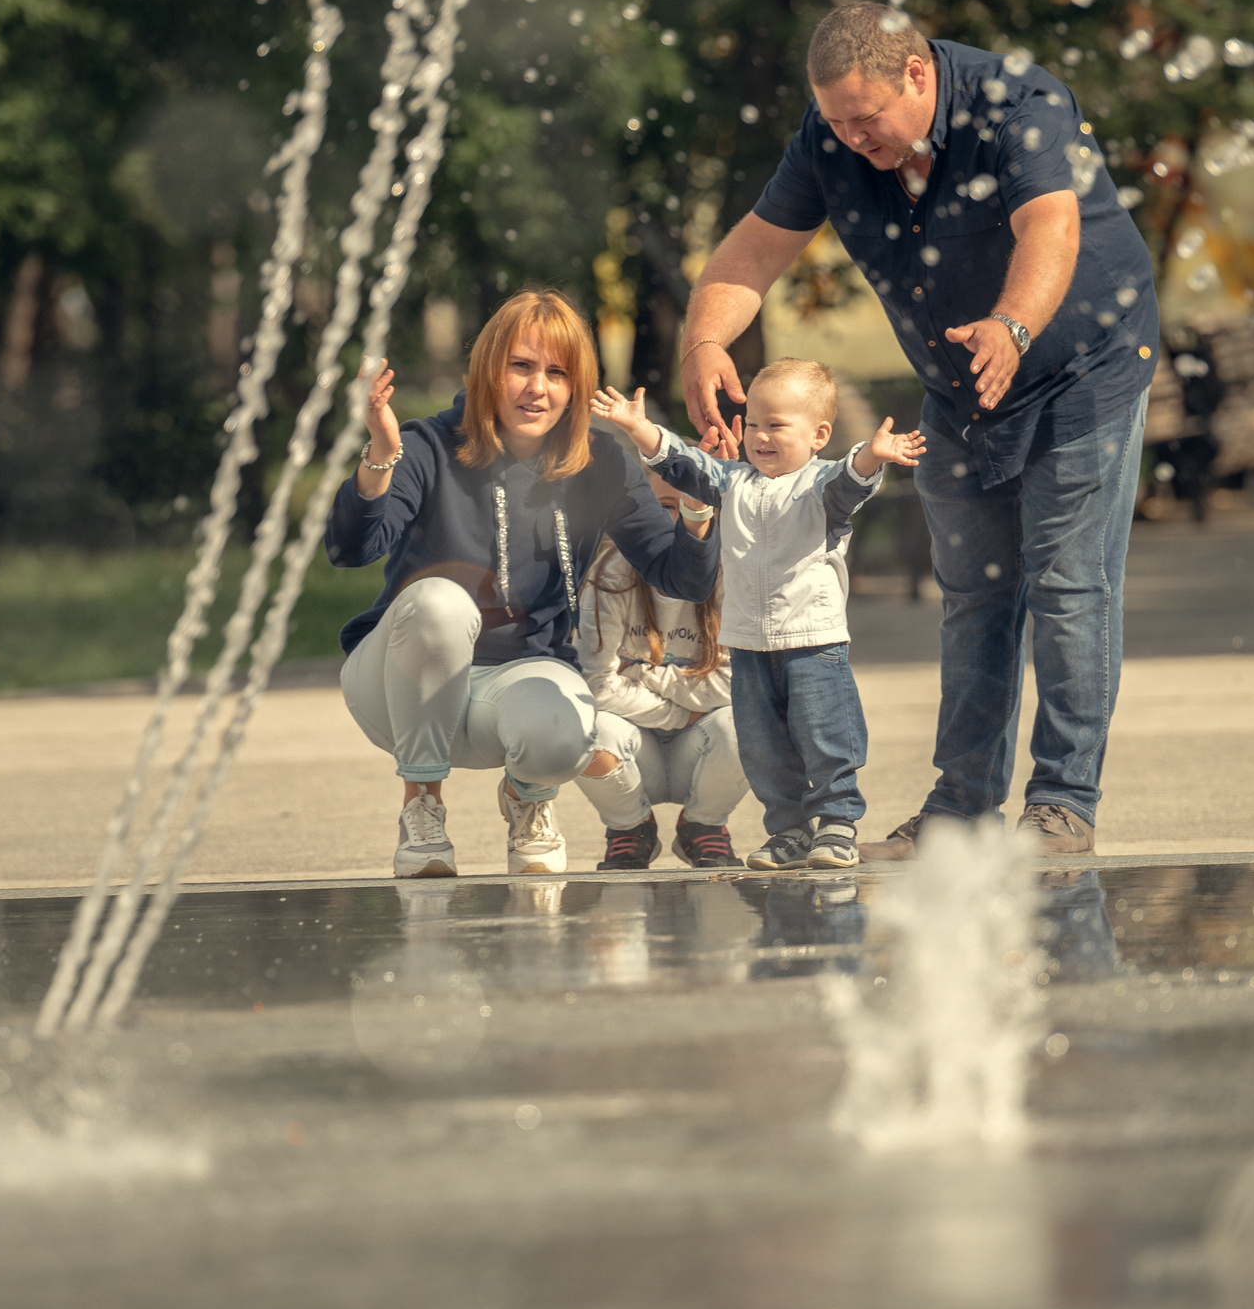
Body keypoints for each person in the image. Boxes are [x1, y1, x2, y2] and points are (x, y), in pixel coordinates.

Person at [676, 0, 1159, 856]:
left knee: (1068, 586)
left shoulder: (1018, 104)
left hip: (1083, 368)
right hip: (961, 383)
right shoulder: (830, 136)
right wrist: (706, 339)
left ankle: (1061, 804)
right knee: (974, 597)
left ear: (918, 74)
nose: (854, 138)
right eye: (837, 121)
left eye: (868, 119)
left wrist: (1011, 324)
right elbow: (753, 250)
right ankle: (961, 807)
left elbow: (1050, 224)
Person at [327, 288, 719, 878]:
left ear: (577, 386)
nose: (538, 387)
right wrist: (382, 452)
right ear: (489, 368)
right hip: (397, 686)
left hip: (506, 691)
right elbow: (352, 547)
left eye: (557, 373)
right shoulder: (430, 445)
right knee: (439, 603)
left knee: (565, 730)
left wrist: (695, 514)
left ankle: (528, 798)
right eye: (521, 366)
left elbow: (681, 579)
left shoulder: (602, 463)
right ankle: (423, 807)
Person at [592, 359, 925, 871]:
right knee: (763, 745)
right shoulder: (733, 482)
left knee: (825, 734)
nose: (760, 436)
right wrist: (641, 429)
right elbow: (683, 464)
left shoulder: (818, 488)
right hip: (749, 644)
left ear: (818, 435)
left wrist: (871, 457)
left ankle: (837, 824)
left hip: (812, 641)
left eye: (776, 425)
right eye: (752, 425)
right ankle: (788, 830)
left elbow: (848, 483)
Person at [573, 471, 746, 869]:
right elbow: (596, 685)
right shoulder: (609, 575)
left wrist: (640, 672)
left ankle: (703, 826)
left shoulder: (731, 574)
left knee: (751, 720)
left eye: (692, 508)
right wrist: (683, 711)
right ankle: (630, 828)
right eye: (663, 507)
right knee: (576, 724)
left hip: (703, 749)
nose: (678, 522)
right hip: (633, 747)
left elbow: (735, 684)